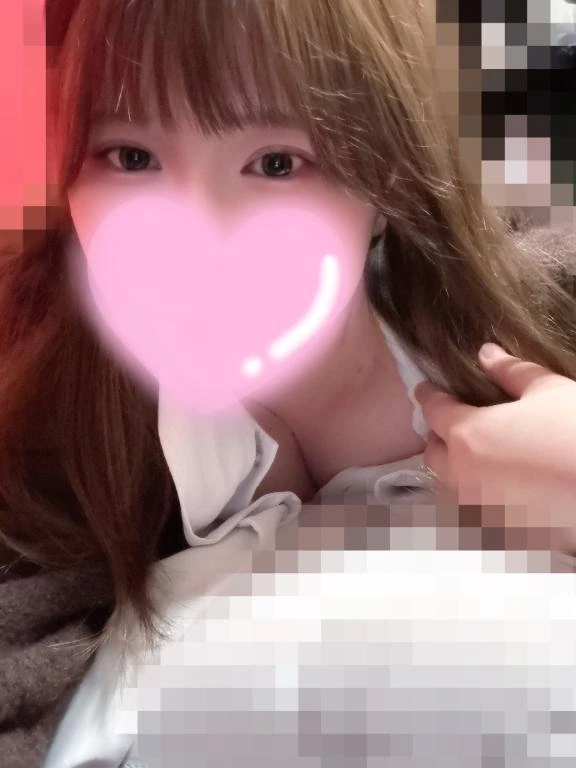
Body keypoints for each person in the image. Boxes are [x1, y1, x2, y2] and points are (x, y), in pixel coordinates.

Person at [3, 0, 576, 688]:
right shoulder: (60, 407)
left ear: (388, 185)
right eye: (132, 157)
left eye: (276, 163)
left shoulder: (531, 327)